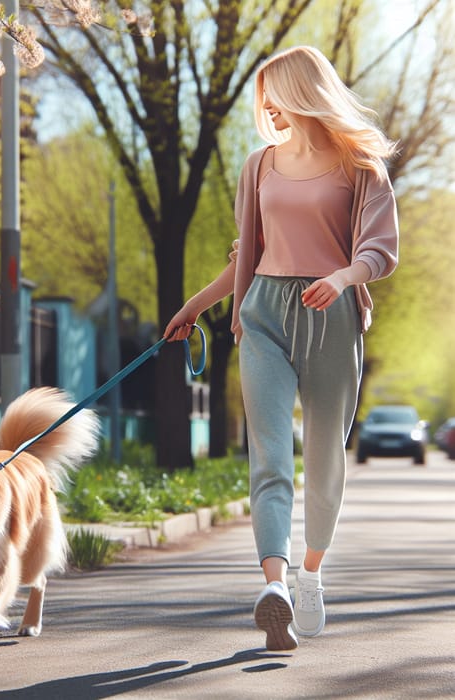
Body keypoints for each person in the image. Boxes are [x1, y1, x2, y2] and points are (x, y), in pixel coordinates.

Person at [164, 45, 399, 651]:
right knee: (269, 455)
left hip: (332, 316)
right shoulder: (259, 165)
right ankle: (276, 587)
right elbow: (248, 252)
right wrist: (196, 307)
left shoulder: (361, 167)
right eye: (262, 96)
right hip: (263, 314)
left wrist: (343, 279)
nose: (266, 105)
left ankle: (311, 574)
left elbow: (380, 250)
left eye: (274, 91)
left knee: (324, 459)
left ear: (304, 91)